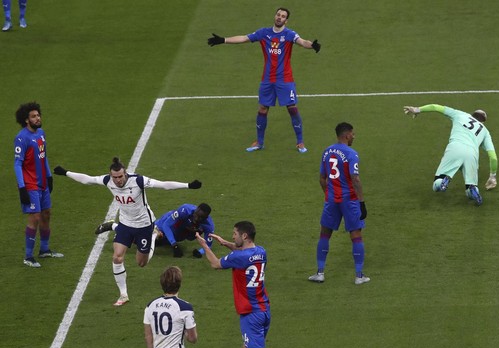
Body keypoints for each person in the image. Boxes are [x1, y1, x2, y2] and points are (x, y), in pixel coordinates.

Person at [52, 157, 203, 306]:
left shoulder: (138, 181)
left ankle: (153, 235)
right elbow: (87, 179)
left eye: (120, 176)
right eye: (115, 177)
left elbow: (163, 185)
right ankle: (123, 294)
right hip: (125, 223)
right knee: (117, 257)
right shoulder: (108, 181)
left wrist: (188, 185)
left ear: (125, 174)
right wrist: (66, 172)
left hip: (144, 225)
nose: (117, 180)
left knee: (141, 262)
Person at [207, 7, 320, 154]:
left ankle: (300, 142)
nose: (279, 17)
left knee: (292, 108)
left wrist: (312, 45)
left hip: (285, 79)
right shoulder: (263, 33)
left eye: (283, 16)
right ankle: (259, 143)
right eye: (278, 15)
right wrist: (223, 40)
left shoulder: (289, 34)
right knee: (262, 109)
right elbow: (244, 38)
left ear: (287, 20)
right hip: (267, 80)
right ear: (275, 16)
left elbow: (303, 42)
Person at [195, 221, 283, 348]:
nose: (232, 236)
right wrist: (225, 243)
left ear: (244, 236)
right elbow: (244, 254)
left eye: (235, 234)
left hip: (251, 314)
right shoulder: (262, 252)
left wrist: (205, 246)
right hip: (264, 310)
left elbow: (215, 264)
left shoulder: (239, 257)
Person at [308, 122, 369, 285]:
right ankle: (359, 276)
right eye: (353, 134)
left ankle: (320, 273)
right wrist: (362, 202)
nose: (354, 137)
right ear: (347, 135)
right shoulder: (351, 153)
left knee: (324, 234)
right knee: (356, 236)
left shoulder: (327, 152)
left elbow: (322, 178)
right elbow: (355, 179)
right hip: (349, 200)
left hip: (332, 200)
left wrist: (328, 195)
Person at [403, 104, 498, 206]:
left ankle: (443, 181)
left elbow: (436, 107)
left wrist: (417, 110)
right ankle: (473, 189)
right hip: (472, 154)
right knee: (471, 187)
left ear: (472, 115)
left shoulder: (460, 114)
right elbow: (493, 157)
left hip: (455, 148)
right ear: (483, 122)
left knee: (436, 185)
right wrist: (492, 177)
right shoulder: (485, 131)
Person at [13, 102, 64, 268]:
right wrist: (22, 188)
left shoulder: (41, 134)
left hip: (42, 183)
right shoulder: (22, 138)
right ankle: (28, 256)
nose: (37, 118)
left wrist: (49, 177)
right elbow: (17, 164)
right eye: (33, 116)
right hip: (30, 184)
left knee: (46, 213)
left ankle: (44, 250)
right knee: (34, 217)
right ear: (26, 120)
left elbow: (44, 156)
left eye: (38, 115)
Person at [144, 266, 198, 348]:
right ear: (179, 284)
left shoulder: (150, 306)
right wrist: (183, 331)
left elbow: (148, 337)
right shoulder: (185, 308)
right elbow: (193, 338)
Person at [149, 203, 214, 260]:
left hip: (180, 233)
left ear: (206, 218)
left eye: (200, 217)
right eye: (196, 215)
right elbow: (166, 224)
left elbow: (208, 245)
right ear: (195, 210)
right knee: (151, 237)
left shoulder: (208, 226)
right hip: (164, 224)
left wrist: (200, 252)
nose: (196, 218)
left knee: (163, 240)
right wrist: (174, 245)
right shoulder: (185, 210)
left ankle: (164, 239)